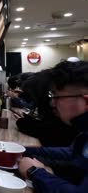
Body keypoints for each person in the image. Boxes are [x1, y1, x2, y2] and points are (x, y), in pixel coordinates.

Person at [18, 61, 88, 192]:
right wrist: (22, 150)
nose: (52, 103)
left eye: (57, 97)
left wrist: (34, 172)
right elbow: (71, 154)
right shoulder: (83, 130)